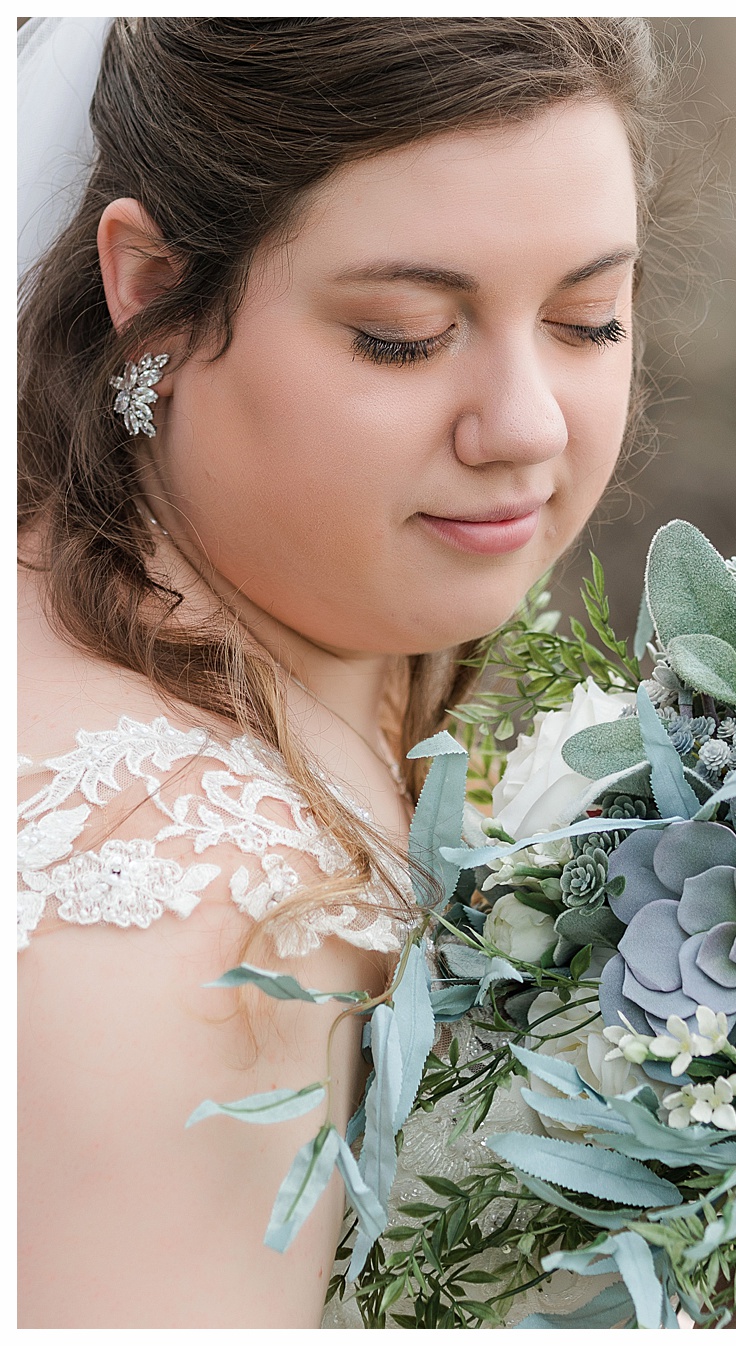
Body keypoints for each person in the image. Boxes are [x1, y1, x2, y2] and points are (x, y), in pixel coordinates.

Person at [18, 18, 657, 1327]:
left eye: (587, 320)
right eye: (404, 335)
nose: (528, 423)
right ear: (149, 292)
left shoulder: (329, 627)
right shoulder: (186, 915)